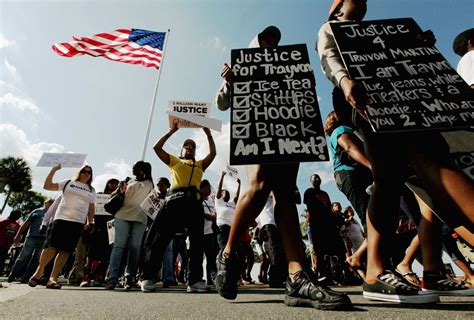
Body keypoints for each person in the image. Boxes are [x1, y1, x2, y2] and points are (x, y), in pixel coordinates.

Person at [317, 0, 474, 303]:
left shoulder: (381, 34)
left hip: (409, 107)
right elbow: (328, 54)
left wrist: (419, 48)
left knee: (425, 175)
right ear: (336, 10)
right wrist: (345, 79)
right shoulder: (332, 29)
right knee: (396, 176)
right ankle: (376, 269)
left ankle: (425, 271)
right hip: (367, 104)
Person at [214, 25, 351, 310]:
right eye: (265, 39)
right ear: (255, 43)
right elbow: (222, 102)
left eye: (274, 41)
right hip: (255, 125)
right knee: (260, 184)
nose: (271, 44)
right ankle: (227, 254)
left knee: (287, 193)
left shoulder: (288, 64)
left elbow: (301, 97)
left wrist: (305, 83)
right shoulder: (244, 66)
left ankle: (297, 275)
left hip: (287, 126)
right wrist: (230, 82)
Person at [140, 119, 216, 293]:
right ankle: (147, 277)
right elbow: (156, 148)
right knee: (161, 240)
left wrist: (208, 134)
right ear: (181, 150)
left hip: (195, 204)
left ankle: (194, 281)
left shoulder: (200, 165)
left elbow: (213, 154)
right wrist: (171, 132)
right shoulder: (174, 161)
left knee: (197, 243)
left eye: (193, 147)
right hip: (175, 202)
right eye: (186, 146)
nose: (190, 148)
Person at [29, 164, 96, 289]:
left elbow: (91, 207)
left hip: (78, 222)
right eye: (84, 171)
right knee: (51, 247)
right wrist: (53, 170)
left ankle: (53, 278)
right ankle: (39, 272)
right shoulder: (68, 183)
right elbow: (47, 186)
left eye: (89, 172)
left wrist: (90, 222)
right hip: (61, 219)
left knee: (66, 250)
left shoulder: (91, 190)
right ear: (79, 172)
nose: (87, 174)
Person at [105, 162, 154, 291]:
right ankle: (113, 277)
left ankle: (129, 275)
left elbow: (152, 202)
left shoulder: (150, 184)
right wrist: (120, 190)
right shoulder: (126, 181)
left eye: (135, 167)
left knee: (135, 247)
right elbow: (112, 196)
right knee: (119, 246)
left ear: (143, 170)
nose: (133, 168)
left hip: (140, 218)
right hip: (122, 215)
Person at [303, 174, 346, 284]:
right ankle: (322, 275)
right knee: (320, 251)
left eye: (318, 177)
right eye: (314, 178)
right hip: (317, 224)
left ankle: (337, 275)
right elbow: (310, 207)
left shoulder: (325, 193)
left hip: (328, 224)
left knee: (336, 250)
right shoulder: (309, 192)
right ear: (310, 181)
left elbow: (328, 207)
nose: (317, 179)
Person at [80, 178, 119, 287]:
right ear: (107, 184)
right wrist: (90, 222)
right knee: (92, 253)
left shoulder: (119, 198)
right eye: (111, 182)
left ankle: (100, 276)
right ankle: (87, 276)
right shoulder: (99, 195)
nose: (114, 185)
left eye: (116, 183)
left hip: (112, 227)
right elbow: (91, 209)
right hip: (98, 226)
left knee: (106, 254)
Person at [7, 200, 54, 283]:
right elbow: (26, 223)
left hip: (44, 239)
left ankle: (27, 277)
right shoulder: (37, 211)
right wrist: (18, 235)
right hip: (31, 237)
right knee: (24, 256)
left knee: (37, 258)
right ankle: (13, 274)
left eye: (52, 202)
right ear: (45, 203)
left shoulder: (53, 214)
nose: (50, 203)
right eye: (49, 202)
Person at [215, 171, 241, 250]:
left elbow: (236, 196)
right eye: (226, 193)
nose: (228, 195)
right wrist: (222, 176)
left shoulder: (232, 204)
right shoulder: (219, 202)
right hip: (222, 229)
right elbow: (219, 189)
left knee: (233, 250)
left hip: (231, 230)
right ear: (221, 194)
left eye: (229, 194)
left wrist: (239, 184)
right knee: (224, 249)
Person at [200, 179, 218, 285]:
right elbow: (202, 214)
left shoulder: (211, 200)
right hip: (202, 232)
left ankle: (210, 279)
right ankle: (198, 278)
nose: (210, 190)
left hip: (211, 232)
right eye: (208, 188)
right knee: (199, 257)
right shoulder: (199, 200)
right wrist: (212, 217)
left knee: (211, 257)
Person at [0, 210, 21, 276]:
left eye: (19, 215)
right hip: (1, 244)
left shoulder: (17, 225)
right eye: (17, 215)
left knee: (2, 260)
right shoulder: (3, 222)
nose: (19, 216)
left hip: (6, 246)